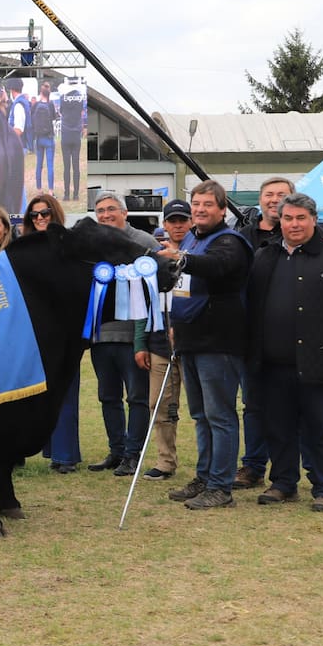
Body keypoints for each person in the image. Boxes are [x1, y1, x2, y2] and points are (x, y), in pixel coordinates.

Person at [247, 193, 323, 512]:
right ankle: (284, 482)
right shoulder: (265, 256)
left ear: (314, 220)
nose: (294, 224)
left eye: (301, 218)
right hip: (273, 362)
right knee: (279, 425)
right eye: (288, 218)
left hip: (321, 359)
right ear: (280, 221)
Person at [156, 180, 253, 510]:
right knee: (200, 415)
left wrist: (178, 257)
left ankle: (221, 486)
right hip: (190, 341)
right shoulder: (195, 242)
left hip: (219, 342)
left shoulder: (228, 242)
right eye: (196, 203)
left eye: (207, 204)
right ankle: (205, 476)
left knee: (220, 416)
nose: (199, 209)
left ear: (222, 209)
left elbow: (217, 266)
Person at [87, 192, 159, 477]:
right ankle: (116, 451)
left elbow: (157, 290)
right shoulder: (93, 246)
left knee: (137, 398)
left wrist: (145, 338)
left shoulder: (144, 242)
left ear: (125, 212)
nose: (105, 215)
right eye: (100, 211)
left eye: (111, 210)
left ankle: (133, 454)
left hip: (133, 338)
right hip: (101, 337)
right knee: (108, 396)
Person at [233, 176, 294, 489]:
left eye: (281, 194)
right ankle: (253, 465)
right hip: (252, 336)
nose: (274, 199)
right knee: (254, 404)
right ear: (260, 200)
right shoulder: (242, 237)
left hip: (291, 338)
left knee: (287, 405)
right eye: (269, 195)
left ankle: (286, 472)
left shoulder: (302, 238)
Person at [22, 194, 81, 473]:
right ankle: (50, 450)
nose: (40, 218)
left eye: (45, 213)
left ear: (55, 214)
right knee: (39, 396)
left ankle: (66, 455)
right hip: (31, 333)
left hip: (63, 330)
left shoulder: (69, 248)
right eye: (34, 215)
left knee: (65, 393)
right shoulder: (25, 249)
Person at [136, 199, 190, 480]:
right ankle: (166, 461)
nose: (178, 225)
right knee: (159, 404)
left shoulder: (200, 252)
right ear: (165, 224)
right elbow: (141, 304)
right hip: (159, 343)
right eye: (173, 221)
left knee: (207, 411)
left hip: (194, 344)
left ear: (191, 222)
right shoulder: (152, 259)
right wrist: (139, 343)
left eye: (183, 220)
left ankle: (211, 464)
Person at [57, 82, 86, 201]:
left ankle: (66, 194)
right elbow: (81, 111)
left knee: (66, 167)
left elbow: (62, 111)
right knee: (76, 166)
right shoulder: (80, 97)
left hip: (65, 133)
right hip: (76, 134)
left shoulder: (63, 97)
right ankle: (76, 194)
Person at [30, 81, 57, 194]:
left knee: (39, 165)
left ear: (41, 93)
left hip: (38, 138)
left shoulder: (36, 104)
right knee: (50, 165)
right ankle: (50, 191)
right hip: (49, 138)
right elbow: (54, 118)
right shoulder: (50, 104)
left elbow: (32, 117)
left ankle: (39, 189)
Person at [5, 77, 32, 153]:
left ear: (12, 90)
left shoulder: (18, 105)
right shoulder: (22, 101)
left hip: (19, 146)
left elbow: (18, 129)